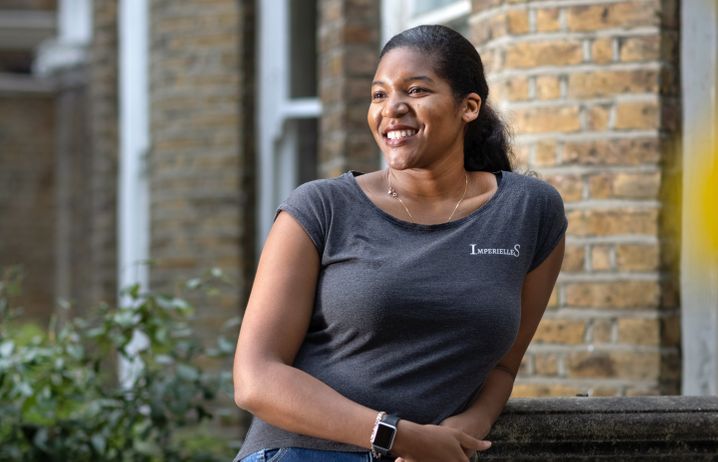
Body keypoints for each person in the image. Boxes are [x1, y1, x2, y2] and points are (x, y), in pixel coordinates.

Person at [232, 24, 566, 462]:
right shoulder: (320, 207)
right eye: (379, 94)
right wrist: (397, 435)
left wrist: (466, 430)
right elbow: (255, 378)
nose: (393, 108)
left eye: (416, 90)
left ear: (468, 107)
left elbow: (503, 366)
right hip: (303, 452)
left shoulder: (529, 211)